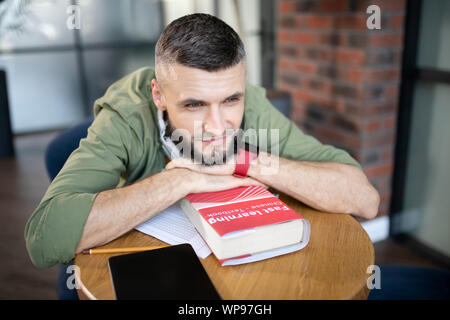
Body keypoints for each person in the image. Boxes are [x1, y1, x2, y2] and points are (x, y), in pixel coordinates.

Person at [25, 13, 379, 271]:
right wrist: (182, 178)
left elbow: (364, 200)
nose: (216, 125)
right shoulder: (125, 116)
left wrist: (247, 160)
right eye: (194, 104)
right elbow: (44, 238)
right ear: (159, 95)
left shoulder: (253, 103)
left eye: (230, 100)